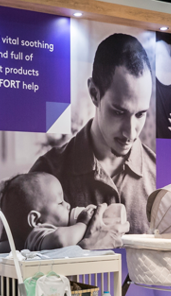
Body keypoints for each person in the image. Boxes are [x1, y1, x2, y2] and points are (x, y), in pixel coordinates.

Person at [30, 33, 156, 234]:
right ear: (94, 94)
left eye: (140, 114)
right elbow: (6, 250)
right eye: (119, 112)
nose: (130, 132)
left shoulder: (159, 176)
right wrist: (84, 247)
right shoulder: (48, 173)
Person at [0, 171, 129, 252]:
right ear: (36, 220)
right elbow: (60, 240)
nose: (68, 205)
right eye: (60, 202)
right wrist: (83, 223)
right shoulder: (37, 234)